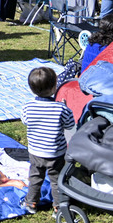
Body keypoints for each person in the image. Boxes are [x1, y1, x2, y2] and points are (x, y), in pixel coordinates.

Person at [21, 66, 75, 213]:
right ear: (54, 87)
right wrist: (64, 107)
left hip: (35, 152)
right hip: (56, 153)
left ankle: (31, 203)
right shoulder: (61, 109)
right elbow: (70, 125)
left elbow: (25, 121)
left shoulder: (27, 107)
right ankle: (59, 206)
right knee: (57, 180)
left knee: (35, 178)